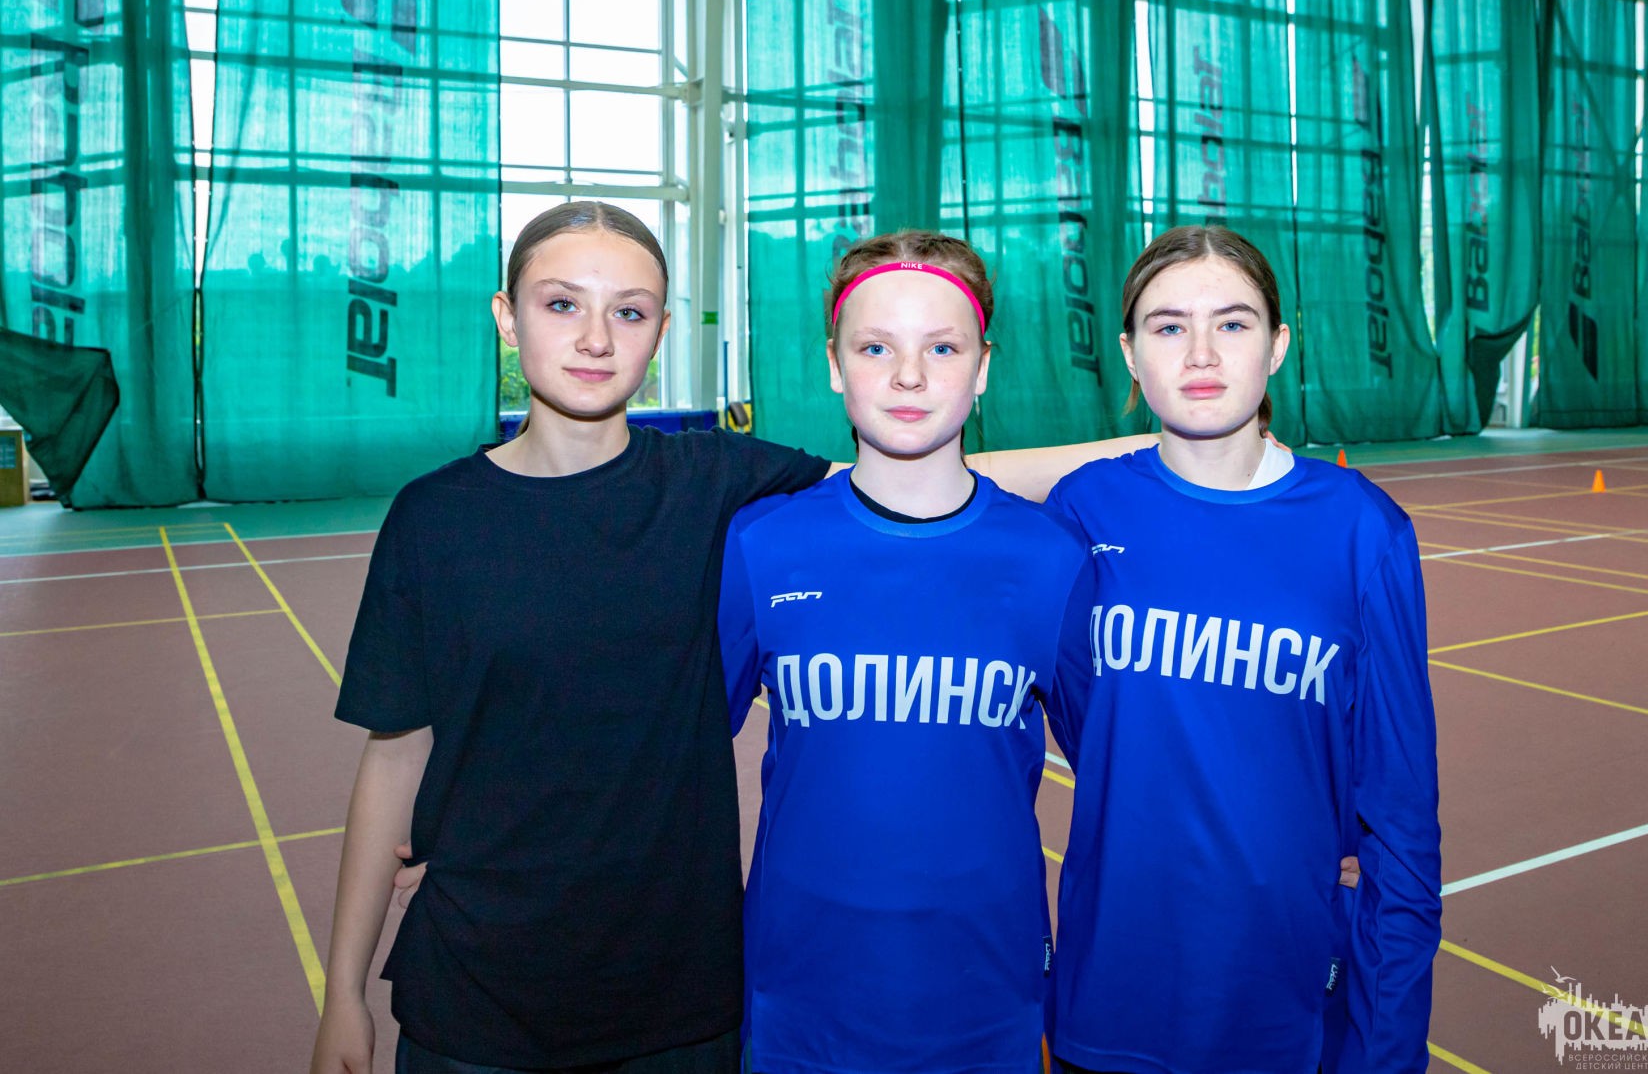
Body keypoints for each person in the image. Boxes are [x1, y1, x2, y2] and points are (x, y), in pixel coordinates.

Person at [309, 202, 1157, 1074]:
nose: (595, 337)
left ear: (661, 330)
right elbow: (401, 751)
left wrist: (1174, 441)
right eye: (562, 303)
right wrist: (347, 985)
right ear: (506, 315)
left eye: (629, 311)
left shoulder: (716, 485)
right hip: (486, 980)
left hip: (685, 998)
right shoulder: (441, 518)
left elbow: (901, 476)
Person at [1043, 225, 1442, 1074]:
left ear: (1277, 345)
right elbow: (1088, 725)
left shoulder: (1361, 528)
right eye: (1168, 326)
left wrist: (1388, 1050)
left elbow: (1402, 817)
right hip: (1110, 998)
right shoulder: (1083, 511)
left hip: (1283, 1005)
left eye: (1232, 323)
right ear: (1130, 353)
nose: (1201, 353)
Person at [718, 232, 1094, 1074]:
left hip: (985, 1001)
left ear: (984, 366)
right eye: (876, 347)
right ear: (833, 363)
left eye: (943, 348)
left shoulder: (1049, 558)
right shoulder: (763, 545)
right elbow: (675, 756)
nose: (910, 376)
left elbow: (1124, 772)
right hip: (799, 1002)